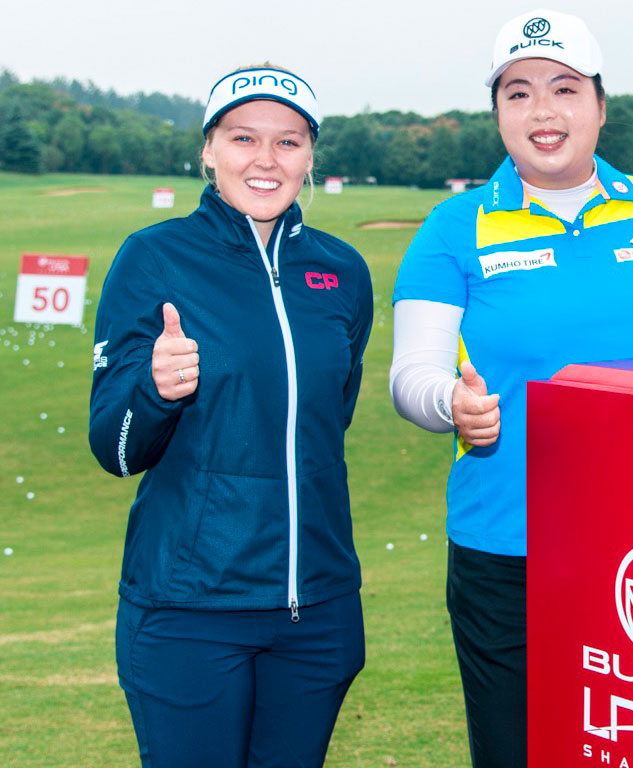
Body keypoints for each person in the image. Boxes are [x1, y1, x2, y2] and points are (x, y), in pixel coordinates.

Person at [389, 9, 633, 765]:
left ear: (600, 105)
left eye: (563, 88)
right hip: (507, 548)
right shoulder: (454, 227)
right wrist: (448, 404)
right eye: (517, 93)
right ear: (497, 112)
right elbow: (411, 374)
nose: (542, 112)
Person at [88, 65, 373, 766]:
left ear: (310, 157)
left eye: (289, 142)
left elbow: (326, 424)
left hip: (318, 610)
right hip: (190, 608)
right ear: (209, 148)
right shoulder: (153, 258)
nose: (266, 160)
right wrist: (154, 390)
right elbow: (115, 449)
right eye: (244, 138)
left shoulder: (342, 271)